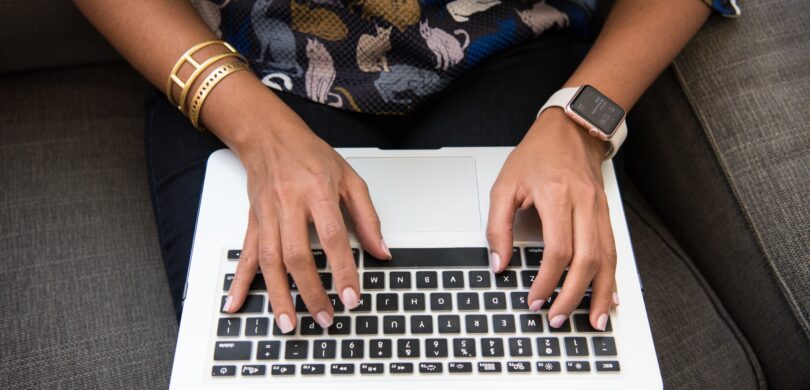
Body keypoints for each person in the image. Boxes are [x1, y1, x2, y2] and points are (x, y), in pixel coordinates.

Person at [74, 0, 738, 334]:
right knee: (281, 344)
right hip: (248, 61)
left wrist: (580, 119)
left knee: (533, 340)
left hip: (514, 44)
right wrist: (258, 132)